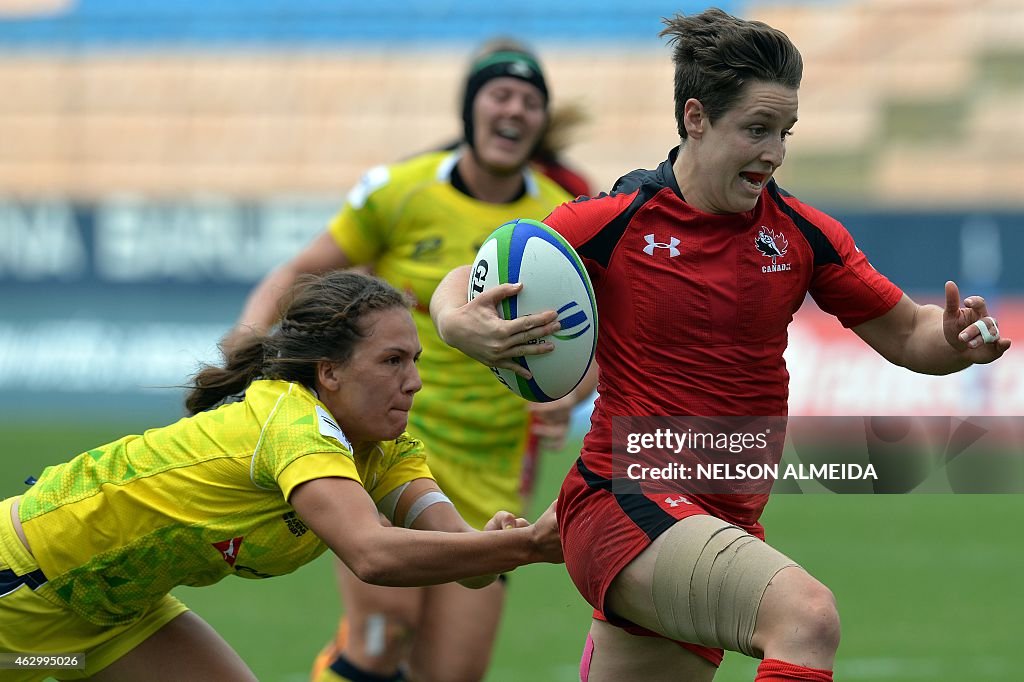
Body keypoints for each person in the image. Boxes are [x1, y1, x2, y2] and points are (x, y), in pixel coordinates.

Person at [429, 8, 1011, 682]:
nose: (774, 153)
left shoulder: (801, 234)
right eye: (757, 130)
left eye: (785, 133)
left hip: (721, 519)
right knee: (806, 617)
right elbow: (477, 268)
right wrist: (455, 321)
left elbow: (910, 335)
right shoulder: (617, 222)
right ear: (696, 118)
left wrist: (955, 341)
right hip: (625, 498)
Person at [225, 42, 592, 682]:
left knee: (451, 673)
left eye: (531, 102)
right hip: (388, 445)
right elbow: (299, 272)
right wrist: (247, 343)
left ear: (541, 122)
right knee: (380, 640)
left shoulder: (563, 215)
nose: (515, 110)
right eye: (500, 95)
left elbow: (596, 333)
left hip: (492, 468)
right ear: (469, 109)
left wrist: (573, 390)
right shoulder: (400, 191)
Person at [0, 271, 562, 682]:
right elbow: (374, 556)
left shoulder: (385, 449)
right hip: (22, 589)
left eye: (414, 360)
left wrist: (497, 545)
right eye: (393, 361)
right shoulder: (293, 423)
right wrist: (528, 545)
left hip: (117, 618)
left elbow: (463, 563)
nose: (414, 381)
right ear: (330, 372)